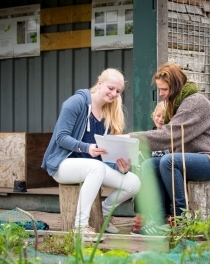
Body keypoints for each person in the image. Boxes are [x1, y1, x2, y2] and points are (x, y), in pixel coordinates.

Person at [127, 62, 210, 235]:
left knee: (168, 162)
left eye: (164, 89)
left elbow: (169, 135)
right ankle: (158, 222)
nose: (161, 94)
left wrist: (131, 137)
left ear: (176, 85)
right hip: (197, 158)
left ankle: (181, 219)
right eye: (159, 89)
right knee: (150, 165)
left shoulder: (194, 102)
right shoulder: (178, 103)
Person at [41, 68, 141, 242]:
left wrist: (121, 166)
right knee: (95, 168)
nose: (114, 94)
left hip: (93, 168)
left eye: (118, 91)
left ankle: (103, 215)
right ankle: (80, 227)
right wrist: (87, 148)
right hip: (63, 165)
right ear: (99, 83)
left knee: (133, 182)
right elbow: (61, 138)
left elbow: (105, 154)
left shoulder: (110, 114)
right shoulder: (76, 103)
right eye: (111, 88)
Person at [130, 101, 171, 234]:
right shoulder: (150, 135)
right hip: (148, 173)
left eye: (164, 117)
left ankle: (162, 217)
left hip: (163, 174)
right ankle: (143, 214)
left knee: (158, 181)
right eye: (158, 115)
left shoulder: (170, 137)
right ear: (153, 115)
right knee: (141, 178)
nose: (160, 119)